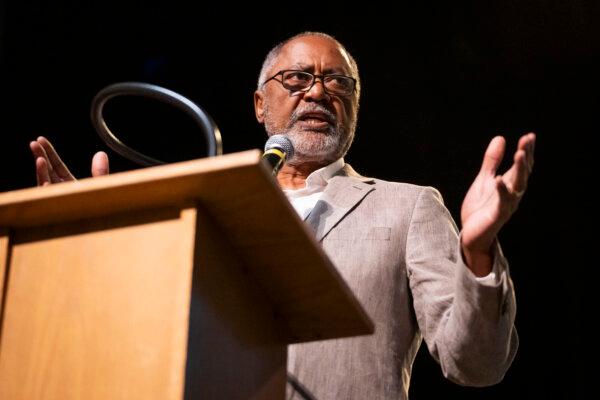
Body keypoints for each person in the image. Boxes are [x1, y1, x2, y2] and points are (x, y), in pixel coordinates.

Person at [30, 32, 535, 399]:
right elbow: (136, 337)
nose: (318, 92)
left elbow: (477, 364)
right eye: (296, 78)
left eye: (338, 82)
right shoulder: (205, 208)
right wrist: (90, 239)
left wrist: (476, 256)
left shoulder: (406, 207)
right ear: (258, 104)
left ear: (355, 106)